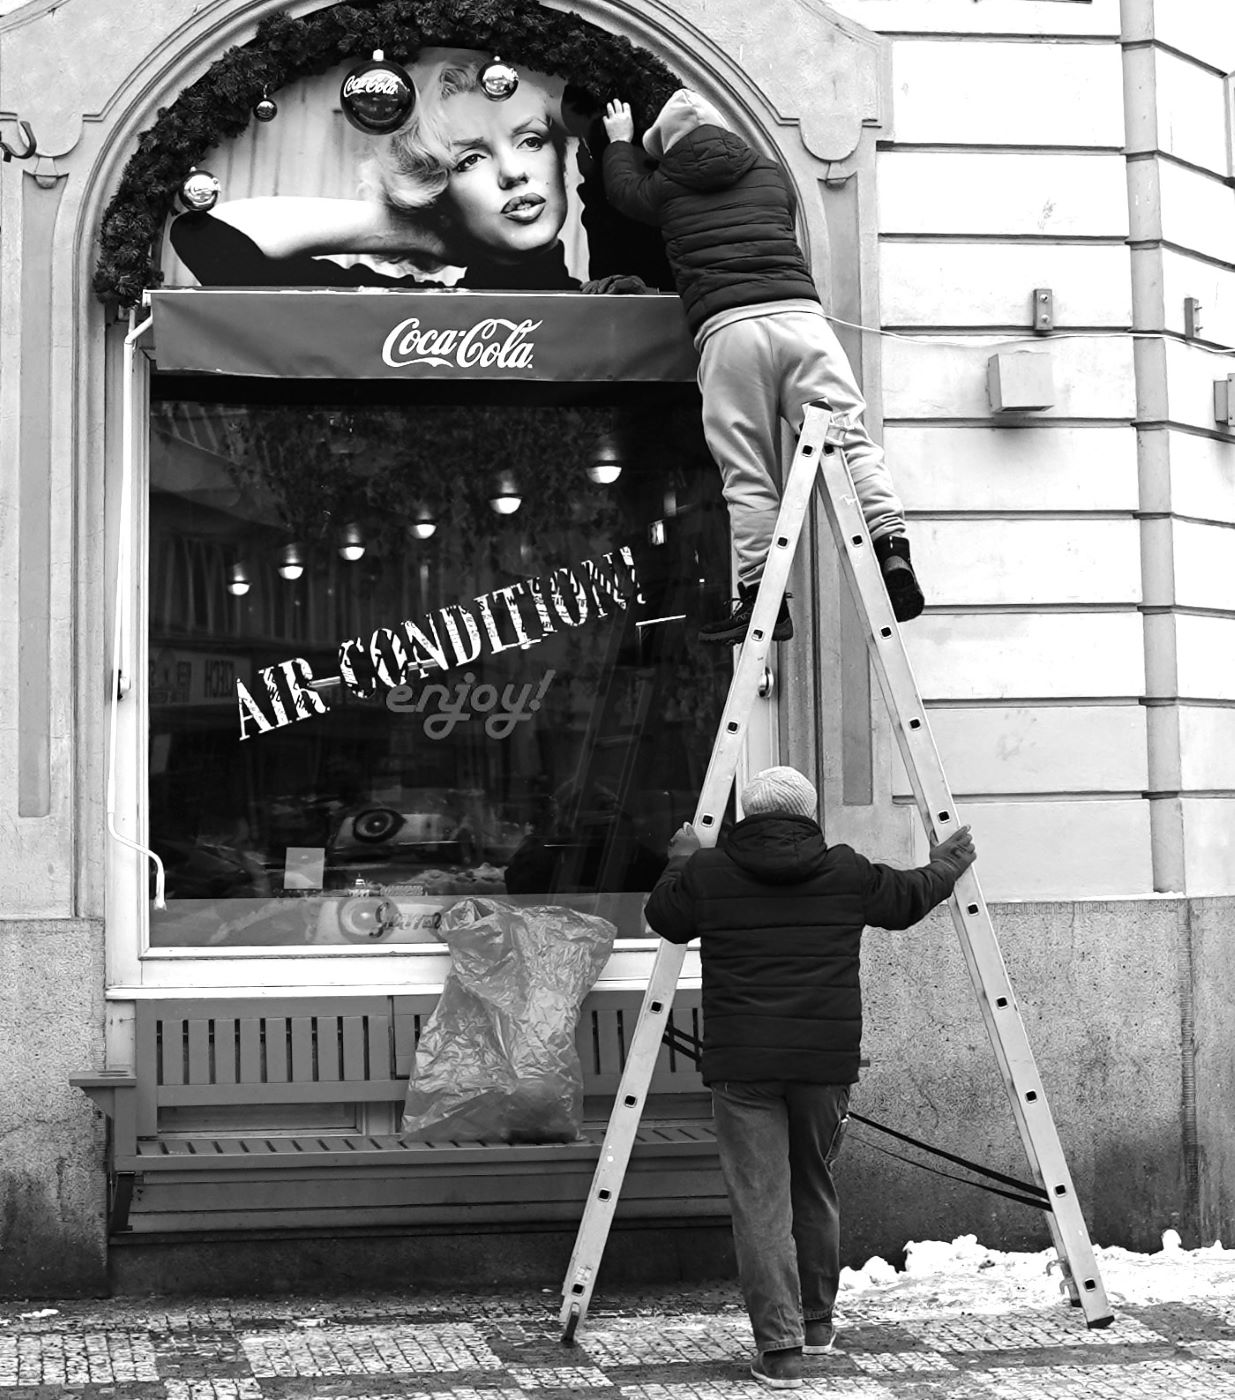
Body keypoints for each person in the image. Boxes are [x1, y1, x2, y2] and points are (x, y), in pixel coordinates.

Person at [644, 766, 976, 1389]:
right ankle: (817, 1324)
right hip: (822, 1065)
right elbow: (908, 898)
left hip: (744, 1067)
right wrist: (947, 866)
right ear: (808, 813)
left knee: (760, 1205)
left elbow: (665, 918)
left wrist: (680, 860)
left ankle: (780, 1351)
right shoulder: (844, 869)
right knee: (813, 1185)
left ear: (747, 814)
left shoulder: (710, 873)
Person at [601, 90, 925, 644]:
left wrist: (618, 143)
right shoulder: (773, 175)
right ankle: (892, 551)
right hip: (802, 321)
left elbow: (623, 192)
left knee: (747, 468)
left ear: (667, 145)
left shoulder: (666, 184)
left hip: (730, 332)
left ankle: (763, 601)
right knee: (849, 440)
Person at [170, 54, 641, 293]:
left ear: (561, 159)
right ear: (436, 189)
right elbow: (207, 236)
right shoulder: (414, 317)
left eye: (531, 141)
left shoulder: (619, 300)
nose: (514, 173)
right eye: (469, 159)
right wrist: (427, 228)